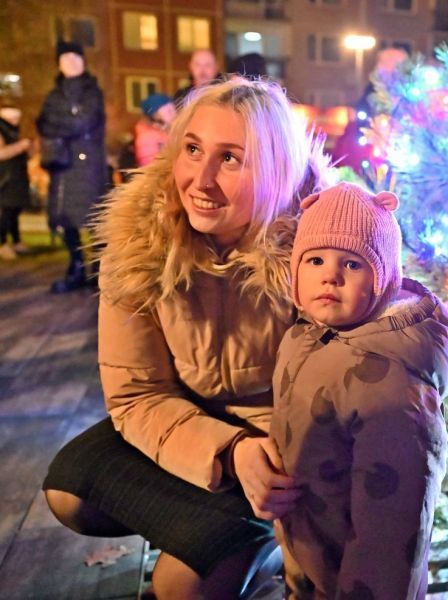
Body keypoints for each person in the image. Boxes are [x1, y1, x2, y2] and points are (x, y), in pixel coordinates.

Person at [42, 78, 334, 598]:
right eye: (192, 149)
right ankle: (218, 533)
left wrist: (265, 456)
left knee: (179, 588)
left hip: (285, 454)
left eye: (230, 159)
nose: (200, 179)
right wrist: (227, 451)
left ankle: (258, 540)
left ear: (275, 170)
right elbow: (136, 393)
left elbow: (405, 343)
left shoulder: (321, 245)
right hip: (197, 430)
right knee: (68, 491)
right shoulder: (141, 245)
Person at [270, 182, 448, 598]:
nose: (330, 275)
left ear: (383, 281)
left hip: (359, 581)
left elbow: (391, 531)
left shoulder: (391, 385)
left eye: (353, 265)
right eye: (315, 259)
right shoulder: (306, 336)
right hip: (311, 558)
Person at [36, 39, 106, 292]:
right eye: (65, 59)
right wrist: (67, 120)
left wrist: (61, 123)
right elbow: (43, 123)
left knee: (94, 220)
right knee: (66, 219)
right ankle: (76, 268)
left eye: (75, 58)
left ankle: (99, 273)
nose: (71, 63)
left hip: (87, 166)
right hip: (62, 164)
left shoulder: (91, 91)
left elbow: (84, 121)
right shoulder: (54, 95)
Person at [0, 103, 31, 260]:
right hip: (5, 179)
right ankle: (2, 243)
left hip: (16, 178)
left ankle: (17, 241)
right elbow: (1, 153)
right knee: (7, 211)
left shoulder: (12, 131)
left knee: (14, 210)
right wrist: (21, 146)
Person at [134, 92, 176, 167]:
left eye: (173, 109)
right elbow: (152, 167)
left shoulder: (164, 132)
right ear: (155, 114)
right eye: (168, 111)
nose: (174, 114)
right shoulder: (147, 137)